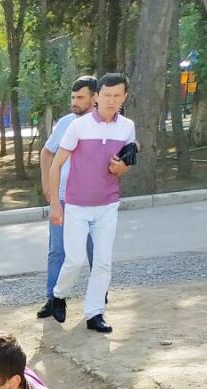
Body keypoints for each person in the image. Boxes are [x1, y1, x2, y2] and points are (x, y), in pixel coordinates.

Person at [49, 72, 134, 334]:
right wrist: (55, 203)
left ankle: (95, 313)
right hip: (77, 204)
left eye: (117, 95)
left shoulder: (127, 126)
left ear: (124, 97)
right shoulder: (79, 126)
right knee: (74, 260)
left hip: (108, 204)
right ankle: (58, 294)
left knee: (103, 261)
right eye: (107, 95)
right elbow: (56, 164)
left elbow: (127, 163)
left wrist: (121, 168)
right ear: (97, 96)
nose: (111, 100)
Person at [37, 77, 98, 320]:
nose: (75, 102)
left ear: (95, 97)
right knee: (57, 250)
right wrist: (46, 184)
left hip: (93, 200)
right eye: (73, 97)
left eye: (80, 97)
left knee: (94, 250)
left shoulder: (104, 125)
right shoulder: (65, 123)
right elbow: (47, 152)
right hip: (62, 198)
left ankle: (97, 300)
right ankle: (53, 299)